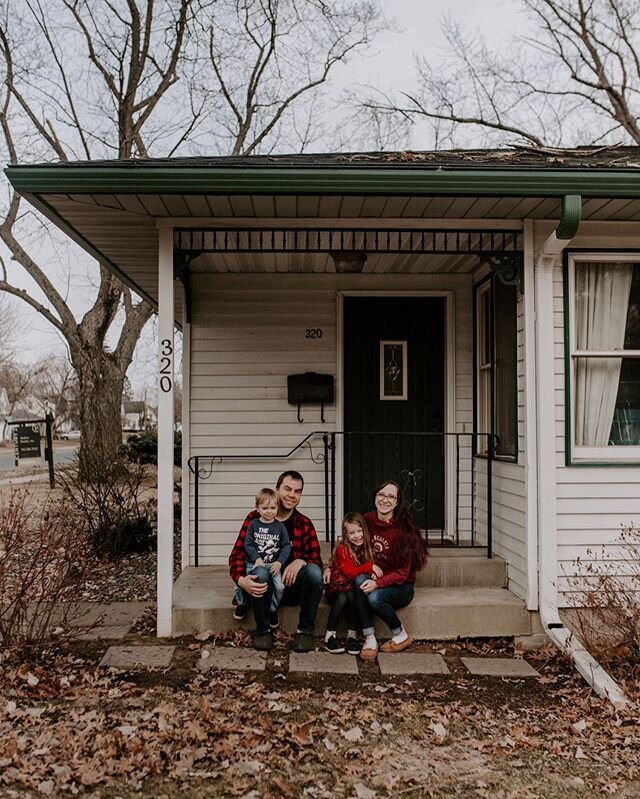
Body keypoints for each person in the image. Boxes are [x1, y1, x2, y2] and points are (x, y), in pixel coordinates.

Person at [229, 470, 324, 652]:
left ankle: (305, 631)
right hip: (263, 587)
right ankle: (263, 630)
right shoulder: (254, 519)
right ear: (277, 489)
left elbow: (316, 561)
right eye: (287, 489)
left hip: (290, 586)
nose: (292, 495)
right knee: (261, 572)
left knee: (313, 572)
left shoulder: (304, 523)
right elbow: (237, 555)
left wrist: (301, 561)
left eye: (297, 491)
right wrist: (241, 580)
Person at [355, 480, 428, 661]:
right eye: (381, 495)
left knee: (374, 597)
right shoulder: (366, 521)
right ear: (375, 498)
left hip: (401, 586)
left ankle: (400, 634)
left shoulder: (404, 531)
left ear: (396, 502)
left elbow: (403, 573)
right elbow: (349, 547)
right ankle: (370, 638)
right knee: (358, 580)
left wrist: (377, 583)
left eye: (391, 496)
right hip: (374, 576)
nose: (385, 500)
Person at [323, 512, 382, 655]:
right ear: (346, 535)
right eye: (352, 533)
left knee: (353, 594)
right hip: (336, 590)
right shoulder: (342, 549)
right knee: (344, 596)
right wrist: (369, 567)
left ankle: (352, 635)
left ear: (364, 530)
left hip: (351, 589)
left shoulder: (367, 547)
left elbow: (369, 568)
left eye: (359, 531)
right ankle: (329, 636)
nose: (357, 536)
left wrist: (373, 573)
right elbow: (350, 573)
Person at [233, 487, 292, 630]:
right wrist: (256, 558)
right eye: (265, 508)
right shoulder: (253, 524)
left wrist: (279, 562)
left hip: (272, 565)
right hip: (253, 563)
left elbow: (286, 546)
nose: (269, 511)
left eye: (273, 507)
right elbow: (248, 544)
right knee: (238, 583)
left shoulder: (280, 527)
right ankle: (241, 603)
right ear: (257, 508)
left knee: (280, 587)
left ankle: (272, 609)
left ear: (277, 508)